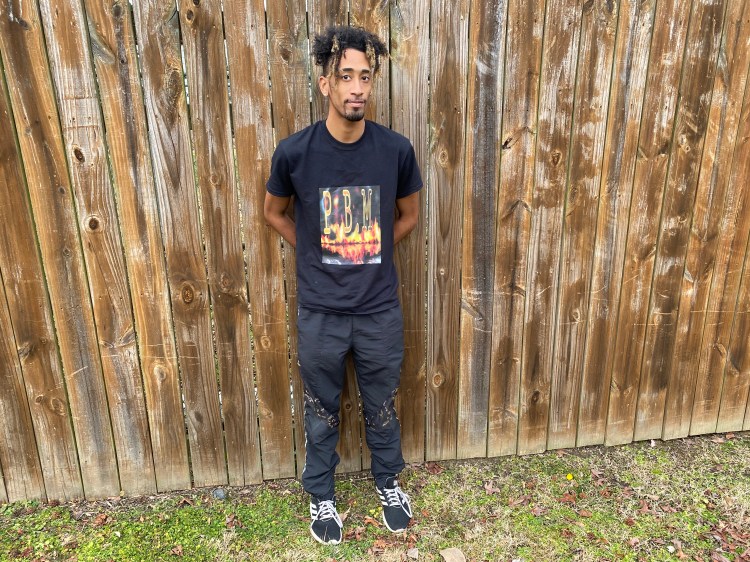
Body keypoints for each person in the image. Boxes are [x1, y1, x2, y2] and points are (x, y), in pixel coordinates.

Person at [264, 25, 422, 545]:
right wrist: (313, 250)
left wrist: (367, 250)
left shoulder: (395, 150)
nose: (357, 88)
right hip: (321, 312)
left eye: (366, 77)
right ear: (325, 82)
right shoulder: (294, 153)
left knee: (382, 404)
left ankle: (388, 484)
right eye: (346, 76)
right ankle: (321, 494)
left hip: (378, 310)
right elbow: (274, 212)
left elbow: (408, 215)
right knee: (320, 410)